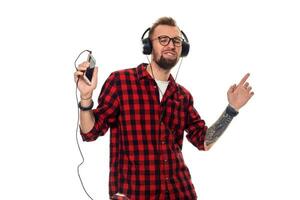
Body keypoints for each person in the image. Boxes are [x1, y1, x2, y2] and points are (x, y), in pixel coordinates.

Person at [74, 17, 254, 200]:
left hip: (180, 193)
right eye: (163, 39)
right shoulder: (121, 82)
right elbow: (90, 132)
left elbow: (204, 141)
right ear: (148, 46)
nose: (171, 45)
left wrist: (231, 109)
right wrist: (86, 97)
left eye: (176, 41)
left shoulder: (182, 96)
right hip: (135, 195)